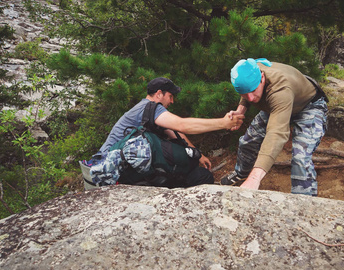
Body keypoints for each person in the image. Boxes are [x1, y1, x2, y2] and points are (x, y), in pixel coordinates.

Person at [93, 77, 244, 188]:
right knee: (200, 178)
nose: (172, 101)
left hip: (118, 167)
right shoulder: (151, 108)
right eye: (170, 96)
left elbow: (176, 132)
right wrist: (223, 123)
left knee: (200, 175)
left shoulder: (145, 110)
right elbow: (182, 125)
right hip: (114, 170)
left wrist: (198, 154)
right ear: (159, 94)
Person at [220, 58, 328, 196]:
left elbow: (276, 133)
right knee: (247, 141)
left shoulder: (280, 89)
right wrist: (241, 110)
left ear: (262, 77)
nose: (251, 98)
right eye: (245, 94)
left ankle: (304, 201)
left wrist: (255, 179)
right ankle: (242, 174)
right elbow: (247, 89)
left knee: (301, 157)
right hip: (275, 105)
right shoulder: (249, 70)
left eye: (253, 90)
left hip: (308, 105)